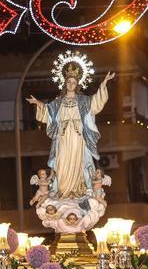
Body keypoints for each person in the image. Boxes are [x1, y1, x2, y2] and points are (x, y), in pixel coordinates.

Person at [26, 60, 115, 200]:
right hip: (62, 137)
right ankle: (62, 190)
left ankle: (77, 190)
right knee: (61, 163)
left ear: (77, 84)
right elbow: (47, 113)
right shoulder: (58, 102)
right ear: (65, 83)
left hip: (78, 137)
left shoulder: (83, 101)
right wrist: (37, 103)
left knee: (78, 162)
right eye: (68, 82)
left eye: (74, 82)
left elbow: (96, 102)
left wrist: (104, 84)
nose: (71, 85)